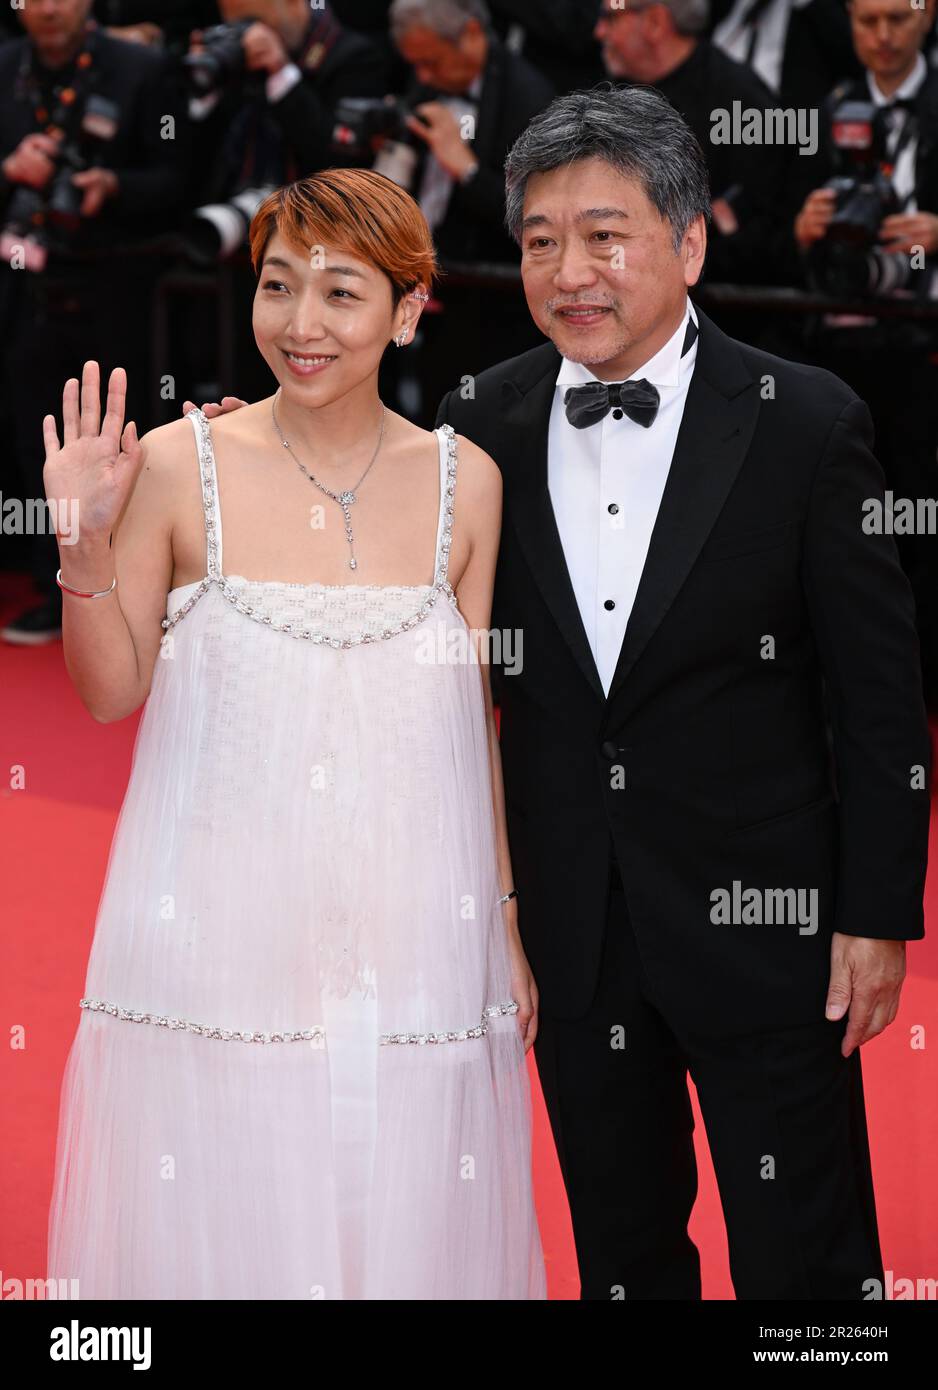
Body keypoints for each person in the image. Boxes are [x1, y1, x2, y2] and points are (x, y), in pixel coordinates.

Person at [433, 85, 928, 1299]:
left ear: (690, 240)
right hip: (573, 927)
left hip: (766, 925)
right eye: (539, 240)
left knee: (803, 1260)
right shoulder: (476, 420)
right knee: (621, 1248)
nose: (568, 272)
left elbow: (877, 695)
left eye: (604, 235)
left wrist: (876, 913)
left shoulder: (805, 421)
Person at [43, 167, 546, 1299]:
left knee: (400, 1207)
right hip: (219, 921)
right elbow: (111, 691)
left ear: (409, 310)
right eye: (277, 288)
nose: (299, 326)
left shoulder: (470, 485)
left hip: (413, 924)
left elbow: (473, 721)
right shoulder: (178, 464)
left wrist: (501, 920)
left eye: (338, 294)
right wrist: (80, 548)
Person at [0, 0, 189, 644]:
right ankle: (51, 583)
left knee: (130, 434)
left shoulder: (141, 70)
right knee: (36, 435)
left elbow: (179, 179)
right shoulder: (5, 69)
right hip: (25, 285)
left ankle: (145, 583)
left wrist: (113, 184)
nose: (49, 8)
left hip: (118, 284)